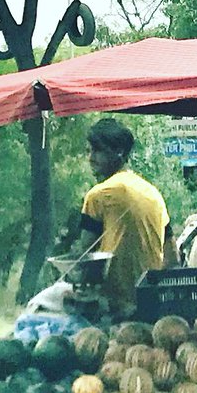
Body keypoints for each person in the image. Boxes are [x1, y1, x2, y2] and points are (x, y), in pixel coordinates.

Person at [75, 118, 178, 319]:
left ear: (119, 151)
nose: (91, 158)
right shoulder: (153, 194)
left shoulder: (98, 195)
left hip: (113, 310)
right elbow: (173, 257)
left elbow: (84, 259)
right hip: (152, 307)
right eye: (89, 151)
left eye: (97, 150)